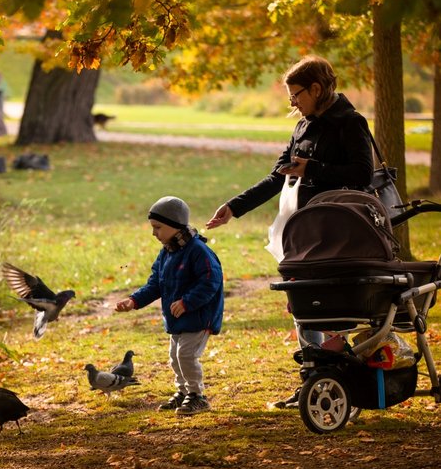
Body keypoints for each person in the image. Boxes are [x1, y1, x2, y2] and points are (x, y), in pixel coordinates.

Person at [205, 55, 373, 408]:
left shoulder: (349, 122)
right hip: (301, 233)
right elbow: (276, 176)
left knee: (330, 308)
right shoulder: (302, 126)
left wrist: (312, 168)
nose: (292, 103)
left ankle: (339, 381)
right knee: (302, 306)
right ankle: (315, 378)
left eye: (295, 94)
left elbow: (361, 175)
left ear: (316, 88)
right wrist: (234, 207)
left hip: (336, 232)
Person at [115, 197, 224, 415]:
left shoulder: (198, 250)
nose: (154, 233)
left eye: (158, 227)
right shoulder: (167, 252)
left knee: (186, 355)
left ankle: (197, 396)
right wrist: (134, 301)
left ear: (175, 226)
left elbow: (211, 280)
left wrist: (187, 302)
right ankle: (183, 392)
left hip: (199, 316)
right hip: (176, 319)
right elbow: (155, 283)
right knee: (175, 357)